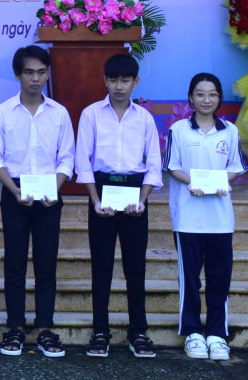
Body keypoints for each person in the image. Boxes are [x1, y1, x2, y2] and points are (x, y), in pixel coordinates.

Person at [0, 46, 74, 358]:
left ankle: (46, 328)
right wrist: (13, 190)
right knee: (15, 263)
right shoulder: (2, 113)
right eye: (29, 72)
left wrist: (55, 189)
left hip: (49, 194)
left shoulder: (59, 113)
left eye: (41, 72)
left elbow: (67, 157)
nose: (35, 78)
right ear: (17, 75)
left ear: (48, 74)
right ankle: (16, 328)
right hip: (15, 193)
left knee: (46, 263)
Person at [75, 53, 162, 359]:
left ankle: (138, 331)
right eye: (113, 80)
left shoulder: (144, 118)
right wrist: (96, 201)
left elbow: (153, 164)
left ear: (135, 81)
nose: (119, 86)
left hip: (134, 194)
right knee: (101, 267)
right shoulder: (91, 115)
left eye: (125, 80)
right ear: (105, 80)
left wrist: (142, 199)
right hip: (102, 192)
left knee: (135, 267)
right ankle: (100, 331)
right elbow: (82, 161)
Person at [163, 73, 246, 361]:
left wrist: (222, 181)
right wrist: (192, 182)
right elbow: (172, 166)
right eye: (200, 94)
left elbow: (236, 166)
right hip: (188, 218)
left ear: (219, 98)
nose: (206, 100)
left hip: (220, 219)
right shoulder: (179, 130)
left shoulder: (229, 131)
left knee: (219, 278)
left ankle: (216, 334)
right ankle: (192, 332)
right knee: (190, 280)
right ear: (191, 98)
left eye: (212, 94)